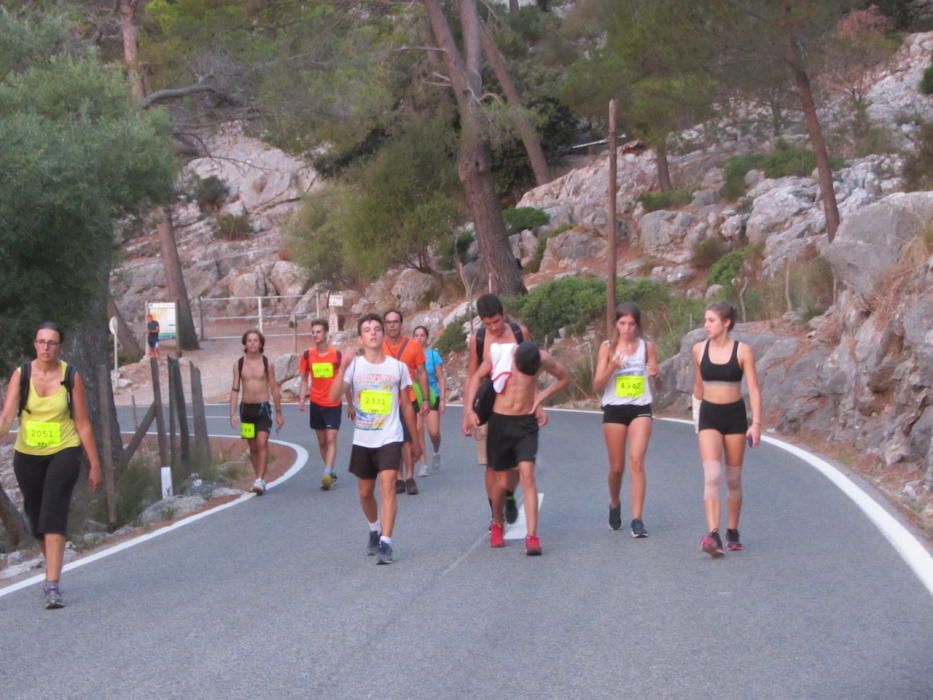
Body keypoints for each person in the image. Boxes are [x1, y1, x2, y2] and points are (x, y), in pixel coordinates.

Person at [0, 322, 102, 609]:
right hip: (27, 455)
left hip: (64, 451)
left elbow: (82, 424)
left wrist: (94, 464)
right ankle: (52, 569)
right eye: (42, 342)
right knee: (36, 518)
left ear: (60, 346)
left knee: (53, 514)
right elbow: (7, 417)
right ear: (35, 344)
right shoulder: (21, 375)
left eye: (52, 342)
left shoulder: (71, 377)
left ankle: (52, 583)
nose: (46, 347)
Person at [328, 313, 421, 564]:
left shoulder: (398, 367)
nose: (373, 332)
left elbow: (407, 406)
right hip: (364, 438)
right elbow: (334, 396)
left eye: (377, 329)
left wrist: (416, 440)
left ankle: (387, 542)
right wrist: (343, 367)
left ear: (382, 334)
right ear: (361, 337)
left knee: (388, 484)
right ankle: (374, 528)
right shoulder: (355, 365)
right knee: (365, 492)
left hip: (390, 436)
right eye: (367, 329)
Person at [464, 340, 567, 555]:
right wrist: (470, 410)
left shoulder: (543, 358)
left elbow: (563, 377)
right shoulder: (499, 353)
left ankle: (532, 537)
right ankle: (497, 522)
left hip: (526, 424)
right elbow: (476, 377)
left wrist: (539, 398)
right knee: (502, 482)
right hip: (500, 422)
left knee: (528, 475)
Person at [691, 302, 762, 558]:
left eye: (711, 320)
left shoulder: (743, 351)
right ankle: (713, 533)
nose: (706, 325)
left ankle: (732, 530)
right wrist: (695, 412)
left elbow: (753, 388)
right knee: (711, 475)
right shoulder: (699, 349)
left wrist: (756, 424)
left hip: (734, 416)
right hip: (709, 414)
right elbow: (697, 385)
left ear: (726, 323)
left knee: (733, 479)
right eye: (705, 320)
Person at [593, 303, 659, 538]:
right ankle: (614, 501)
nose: (627, 329)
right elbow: (597, 385)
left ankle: (638, 519)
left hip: (640, 407)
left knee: (637, 461)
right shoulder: (607, 348)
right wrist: (612, 366)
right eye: (622, 323)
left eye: (631, 324)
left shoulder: (647, 347)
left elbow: (656, 376)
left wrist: (654, 373)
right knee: (617, 468)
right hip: (614, 409)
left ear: (638, 325)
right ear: (616, 325)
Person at [465, 293, 529, 525]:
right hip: (488, 407)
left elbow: (531, 368)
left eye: (496, 322)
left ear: (503, 315)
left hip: (516, 406)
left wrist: (535, 404)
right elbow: (472, 375)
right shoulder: (479, 339)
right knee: (490, 463)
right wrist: (468, 412)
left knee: (514, 465)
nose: (493, 327)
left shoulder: (520, 334)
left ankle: (509, 494)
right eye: (487, 324)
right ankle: (496, 514)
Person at [229, 329, 284, 495]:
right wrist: (232, 413)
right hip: (246, 409)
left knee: (262, 442)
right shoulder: (239, 364)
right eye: (249, 340)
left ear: (261, 343)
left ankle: (259, 479)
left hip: (262, 408)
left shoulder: (267, 363)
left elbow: (274, 388)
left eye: (255, 340)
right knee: (252, 447)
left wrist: (279, 412)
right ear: (245, 343)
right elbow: (234, 388)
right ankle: (258, 477)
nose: (252, 343)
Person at [382, 309, 429, 496]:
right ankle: (399, 478)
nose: (392, 325)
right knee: (393, 442)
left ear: (401, 324)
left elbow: (422, 372)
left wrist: (425, 399)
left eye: (395, 321)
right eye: (388, 322)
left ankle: (409, 477)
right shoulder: (379, 347)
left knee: (408, 441)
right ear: (384, 325)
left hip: (407, 398)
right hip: (386, 401)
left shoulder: (413, 347)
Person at [298, 319, 347, 490]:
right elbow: (304, 379)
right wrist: (302, 398)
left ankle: (326, 473)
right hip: (316, 402)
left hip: (333, 402)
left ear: (326, 333)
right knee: (322, 441)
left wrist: (351, 404)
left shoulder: (336, 355)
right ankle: (331, 470)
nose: (315, 335)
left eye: (318, 332)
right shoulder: (307, 355)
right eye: (313, 332)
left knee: (331, 438)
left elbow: (344, 379)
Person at [412, 325, 446, 477]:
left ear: (427, 338)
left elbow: (441, 378)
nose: (419, 338)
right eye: (417, 335)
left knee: (434, 432)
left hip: (432, 395)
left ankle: (436, 450)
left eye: (422, 335)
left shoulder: (433, 355)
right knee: (419, 429)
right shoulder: (411, 355)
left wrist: (443, 399)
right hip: (416, 395)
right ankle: (423, 464)